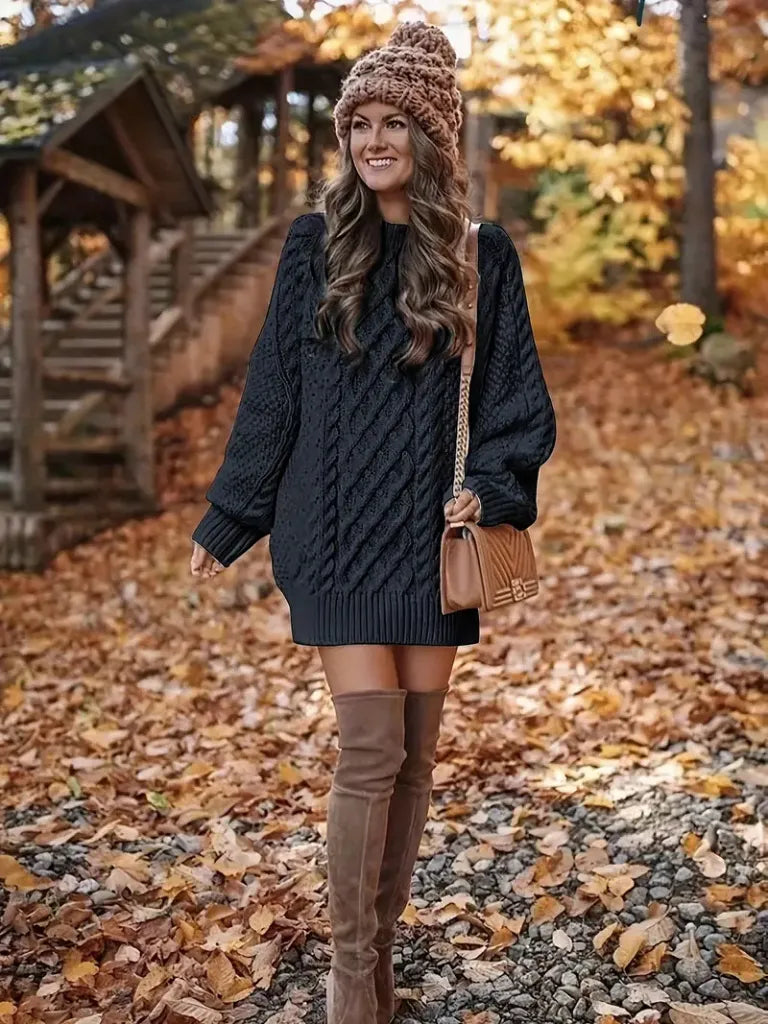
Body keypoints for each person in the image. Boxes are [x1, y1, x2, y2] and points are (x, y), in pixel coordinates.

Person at [189, 19, 557, 1024]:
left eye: (398, 121)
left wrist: (495, 484)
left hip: (429, 541)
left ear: (433, 139)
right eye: (361, 123)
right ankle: (354, 975)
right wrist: (232, 515)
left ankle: (384, 955)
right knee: (367, 750)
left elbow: (517, 400)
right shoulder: (316, 246)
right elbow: (273, 391)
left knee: (416, 754)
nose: (375, 139)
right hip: (334, 532)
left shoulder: (484, 256)